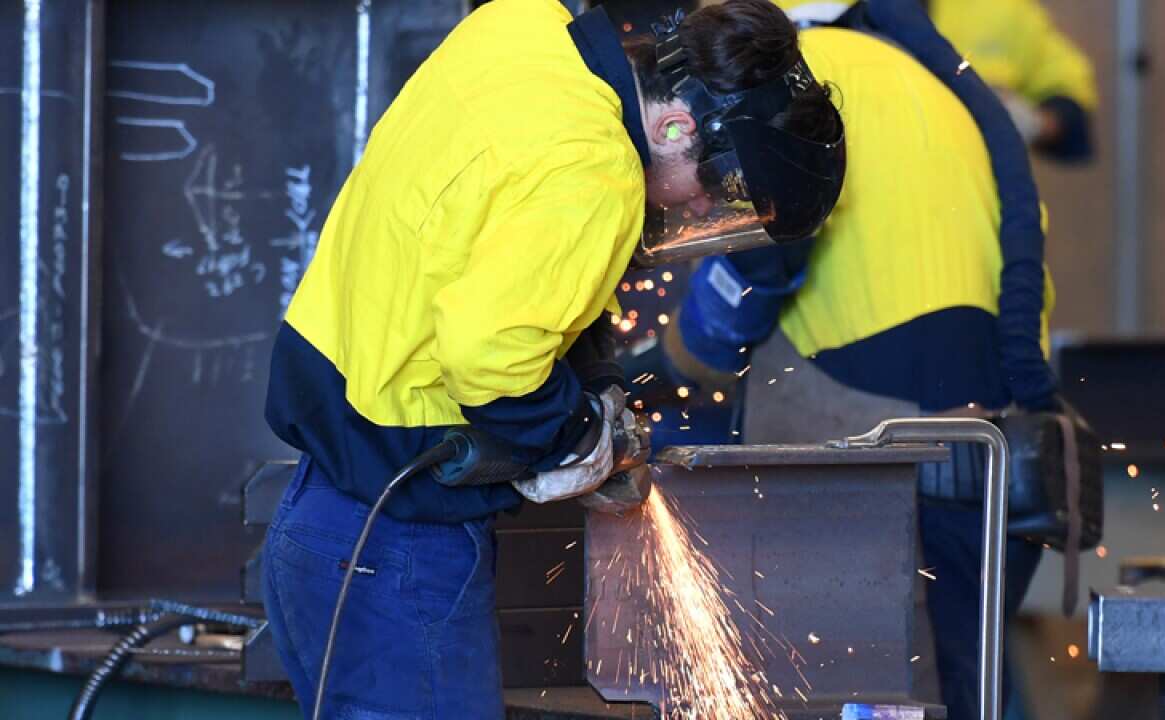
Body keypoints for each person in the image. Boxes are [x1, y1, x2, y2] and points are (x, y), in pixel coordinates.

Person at [258, 0, 845, 717]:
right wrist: (577, 438)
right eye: (715, 191)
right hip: (402, 552)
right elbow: (489, 358)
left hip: (319, 521)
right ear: (676, 126)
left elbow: (494, 241)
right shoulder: (599, 171)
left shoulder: (521, 27)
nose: (698, 212)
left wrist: (594, 377)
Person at [635, 2, 1057, 718]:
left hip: (877, 439)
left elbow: (757, 270)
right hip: (997, 440)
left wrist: (672, 360)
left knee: (850, 689)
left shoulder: (786, 88)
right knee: (968, 687)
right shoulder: (936, 77)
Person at [777, 0, 1098, 161]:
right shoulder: (792, 7)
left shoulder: (1000, 10)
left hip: (973, 231)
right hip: (833, 232)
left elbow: (1073, 115)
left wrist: (1035, 123)